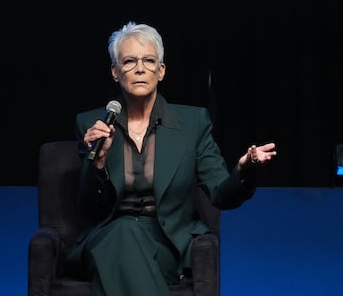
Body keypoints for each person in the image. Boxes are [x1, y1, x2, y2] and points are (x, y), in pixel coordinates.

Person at [66, 21, 277, 296]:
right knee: (122, 231)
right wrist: (98, 163)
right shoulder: (92, 125)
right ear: (115, 72)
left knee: (122, 254)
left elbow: (221, 195)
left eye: (149, 61)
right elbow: (90, 209)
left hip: (167, 245)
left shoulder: (193, 123)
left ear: (161, 71)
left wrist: (243, 170)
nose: (140, 69)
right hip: (106, 237)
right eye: (129, 61)